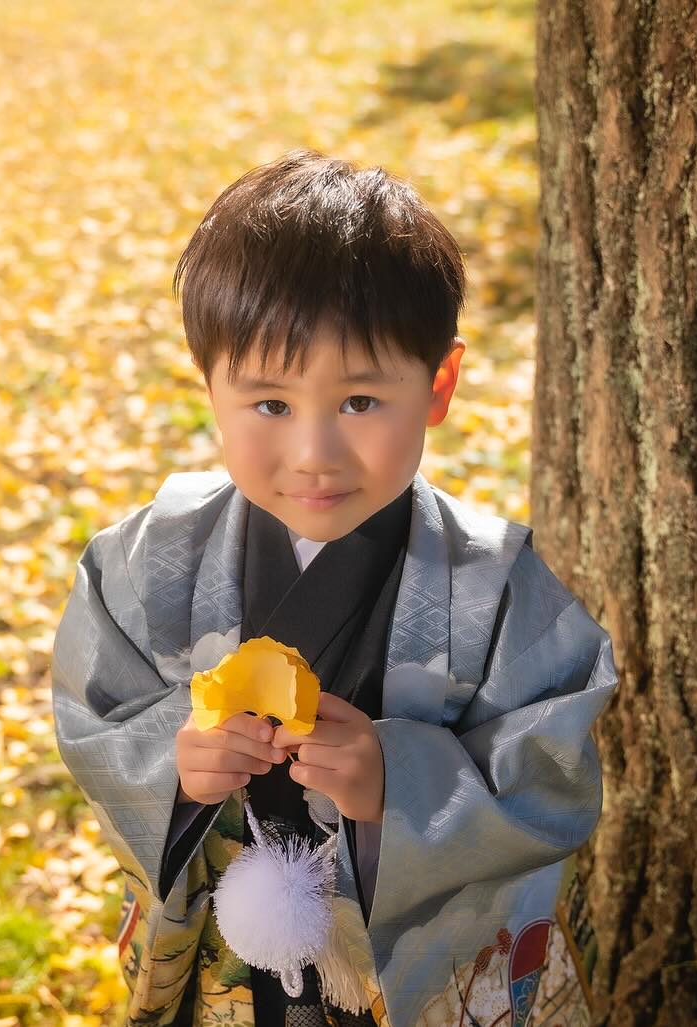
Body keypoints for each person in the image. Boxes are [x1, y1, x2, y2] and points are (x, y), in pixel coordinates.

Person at [50, 149, 619, 1026]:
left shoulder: (494, 585)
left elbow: (552, 779)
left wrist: (402, 784)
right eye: (270, 405)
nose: (315, 454)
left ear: (439, 385)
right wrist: (175, 763)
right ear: (210, 389)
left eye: (359, 401)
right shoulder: (147, 562)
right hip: (229, 972)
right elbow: (95, 723)